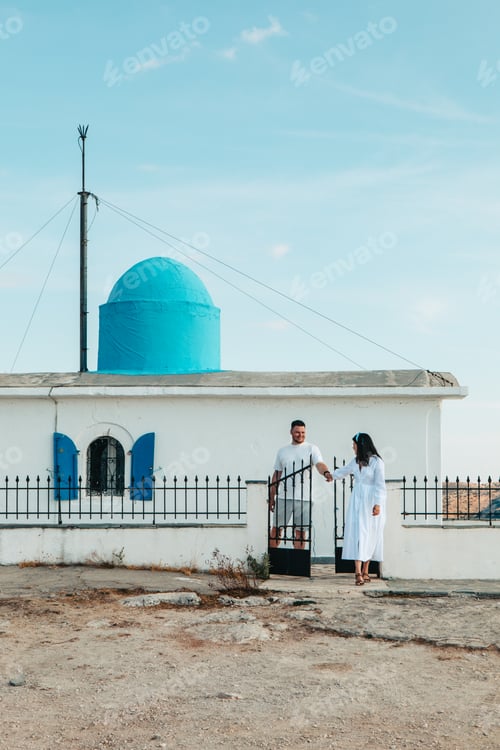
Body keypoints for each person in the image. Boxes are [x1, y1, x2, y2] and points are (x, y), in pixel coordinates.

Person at [332, 432, 386, 585]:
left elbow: (380, 484)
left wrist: (377, 504)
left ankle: (366, 570)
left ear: (361, 445)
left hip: (370, 501)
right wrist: (331, 475)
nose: (352, 447)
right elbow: (343, 471)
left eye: (354, 445)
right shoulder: (355, 462)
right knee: (358, 533)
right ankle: (357, 571)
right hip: (357, 501)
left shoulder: (377, 462)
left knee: (370, 534)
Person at [269, 419, 333, 549]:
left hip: (304, 498)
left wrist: (326, 472)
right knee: (276, 530)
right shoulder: (283, 451)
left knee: (301, 532)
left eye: (303, 432)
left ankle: (298, 564)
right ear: (291, 432)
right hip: (284, 497)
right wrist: (271, 497)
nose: (300, 435)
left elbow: (319, 464)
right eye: (297, 432)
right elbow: (277, 475)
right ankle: (272, 562)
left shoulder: (312, 448)